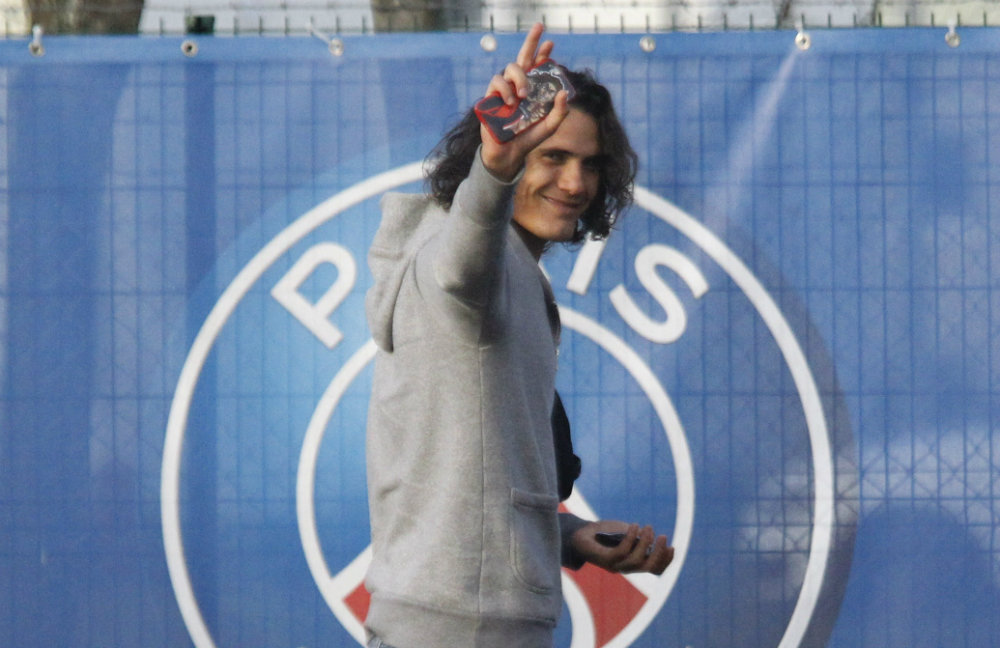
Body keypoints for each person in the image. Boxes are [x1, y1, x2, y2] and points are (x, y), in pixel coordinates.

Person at [363, 24, 675, 648]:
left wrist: (570, 536)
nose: (575, 184)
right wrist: (494, 170)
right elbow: (461, 270)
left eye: (590, 164)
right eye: (550, 156)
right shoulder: (470, 260)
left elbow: (465, 491)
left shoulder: (508, 271)